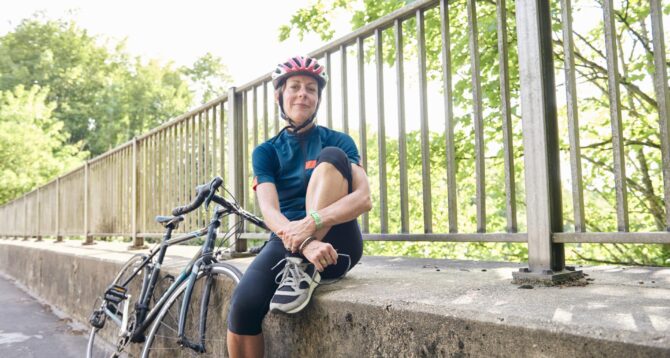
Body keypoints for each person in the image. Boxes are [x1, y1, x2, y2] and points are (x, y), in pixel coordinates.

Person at [226, 55, 372, 358]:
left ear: (318, 99)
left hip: (338, 242)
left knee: (330, 157)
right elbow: (270, 212)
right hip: (289, 241)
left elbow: (363, 198)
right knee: (243, 306)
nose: (303, 94)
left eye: (311, 89)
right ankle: (301, 263)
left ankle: (304, 268)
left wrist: (312, 223)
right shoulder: (266, 151)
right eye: (294, 87)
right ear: (280, 96)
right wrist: (304, 242)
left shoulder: (339, 141)